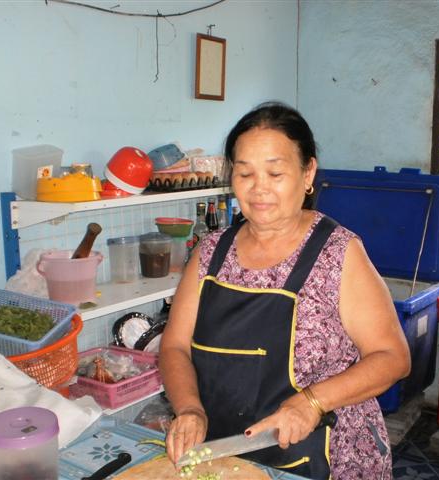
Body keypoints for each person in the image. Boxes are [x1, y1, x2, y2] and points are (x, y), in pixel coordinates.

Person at [159, 101, 411, 480]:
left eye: (275, 173)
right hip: (228, 451)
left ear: (308, 173)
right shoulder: (211, 253)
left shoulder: (337, 253)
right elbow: (175, 346)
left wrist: (311, 402)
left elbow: (392, 358)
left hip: (324, 453)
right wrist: (190, 409)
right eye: (245, 173)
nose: (259, 188)